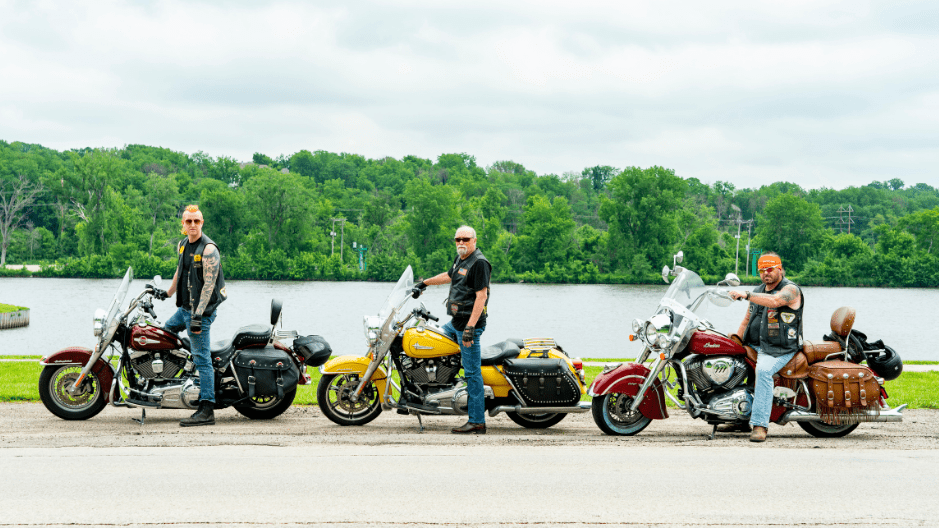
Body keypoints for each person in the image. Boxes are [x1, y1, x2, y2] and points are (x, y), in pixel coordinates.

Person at [410, 226, 491, 434]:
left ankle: (477, 421)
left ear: (474, 240)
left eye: (465, 239)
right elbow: (449, 276)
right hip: (455, 323)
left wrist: (470, 329)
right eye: (457, 239)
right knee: (429, 338)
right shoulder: (461, 259)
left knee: (472, 372)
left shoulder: (479, 263)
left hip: (468, 326)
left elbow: (481, 296)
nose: (461, 242)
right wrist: (423, 284)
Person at [154, 204, 227, 427]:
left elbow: (208, 285)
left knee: (202, 359)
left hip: (200, 313)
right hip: (184, 308)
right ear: (183, 225)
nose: (193, 225)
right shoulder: (183, 244)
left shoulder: (208, 249)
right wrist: (166, 293)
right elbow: (180, 271)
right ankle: (173, 382)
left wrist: (198, 315)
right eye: (189, 221)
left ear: (202, 223)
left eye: (197, 221)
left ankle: (207, 409)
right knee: (165, 332)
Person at [727, 252, 803, 443]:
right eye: (761, 270)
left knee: (763, 370)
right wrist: (737, 340)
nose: (765, 274)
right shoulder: (759, 289)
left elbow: (776, 301)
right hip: (755, 344)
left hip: (779, 348)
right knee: (732, 362)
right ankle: (740, 416)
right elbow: (747, 319)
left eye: (769, 269)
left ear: (779, 268)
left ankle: (760, 425)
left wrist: (747, 295)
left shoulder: (791, 290)